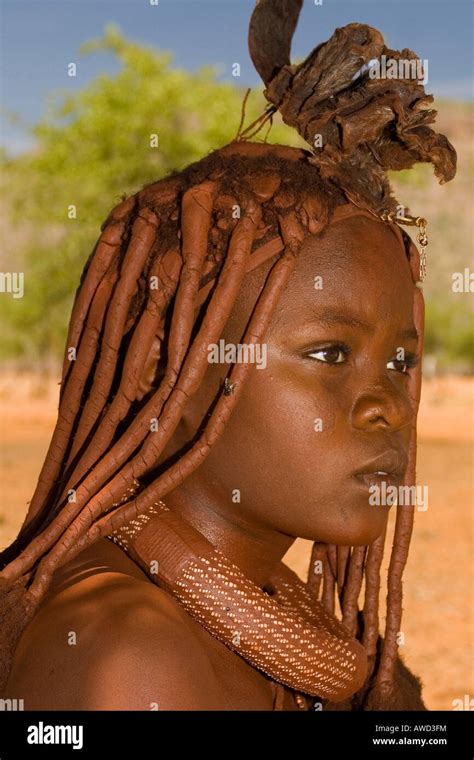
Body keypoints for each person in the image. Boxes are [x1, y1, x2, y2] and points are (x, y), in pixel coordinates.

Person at [0, 2, 456, 711]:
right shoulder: (128, 656)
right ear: (162, 370)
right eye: (330, 352)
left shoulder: (304, 633)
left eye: (401, 362)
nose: (386, 405)